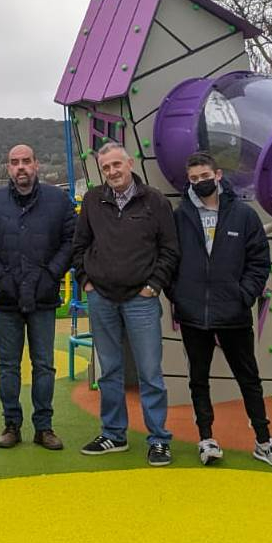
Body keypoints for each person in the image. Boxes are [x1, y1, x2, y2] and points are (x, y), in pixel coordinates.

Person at [173, 151, 272, 469]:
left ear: (218, 175)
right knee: (198, 378)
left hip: (234, 312)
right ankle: (207, 439)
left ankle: (264, 441)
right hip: (193, 313)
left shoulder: (243, 215)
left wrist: (245, 295)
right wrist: (179, 296)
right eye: (194, 178)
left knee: (248, 377)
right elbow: (169, 258)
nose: (200, 182)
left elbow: (257, 260)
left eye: (204, 176)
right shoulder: (180, 216)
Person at [71, 142, 178, 466]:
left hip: (141, 300)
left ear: (129, 163)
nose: (113, 172)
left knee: (149, 372)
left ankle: (158, 439)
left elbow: (170, 248)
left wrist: (153, 285)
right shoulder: (92, 200)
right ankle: (114, 434)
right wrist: (86, 282)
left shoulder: (154, 201)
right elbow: (79, 245)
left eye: (117, 164)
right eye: (106, 168)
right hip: (101, 297)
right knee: (110, 370)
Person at [0, 143, 73, 450]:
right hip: (6, 298)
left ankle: (44, 427)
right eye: (15, 162)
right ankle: (11, 424)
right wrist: (1, 278)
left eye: (26, 161)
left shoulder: (58, 201)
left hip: (44, 297)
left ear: (37, 165)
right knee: (8, 365)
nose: (21, 167)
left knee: (44, 364)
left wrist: (50, 275)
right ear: (8, 168)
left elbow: (71, 240)